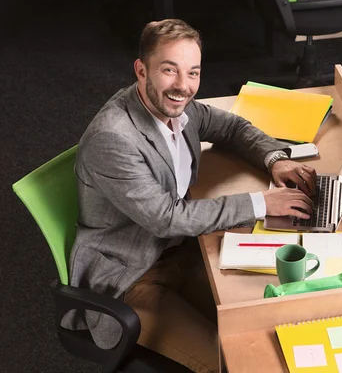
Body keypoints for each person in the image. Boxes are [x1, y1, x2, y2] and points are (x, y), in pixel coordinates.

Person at [62, 19, 317, 373]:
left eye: (193, 73)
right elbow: (167, 218)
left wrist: (274, 159)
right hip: (131, 279)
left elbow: (231, 126)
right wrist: (261, 203)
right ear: (141, 71)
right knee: (232, 362)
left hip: (185, 251)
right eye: (169, 70)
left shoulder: (178, 109)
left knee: (263, 326)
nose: (183, 86)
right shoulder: (114, 138)